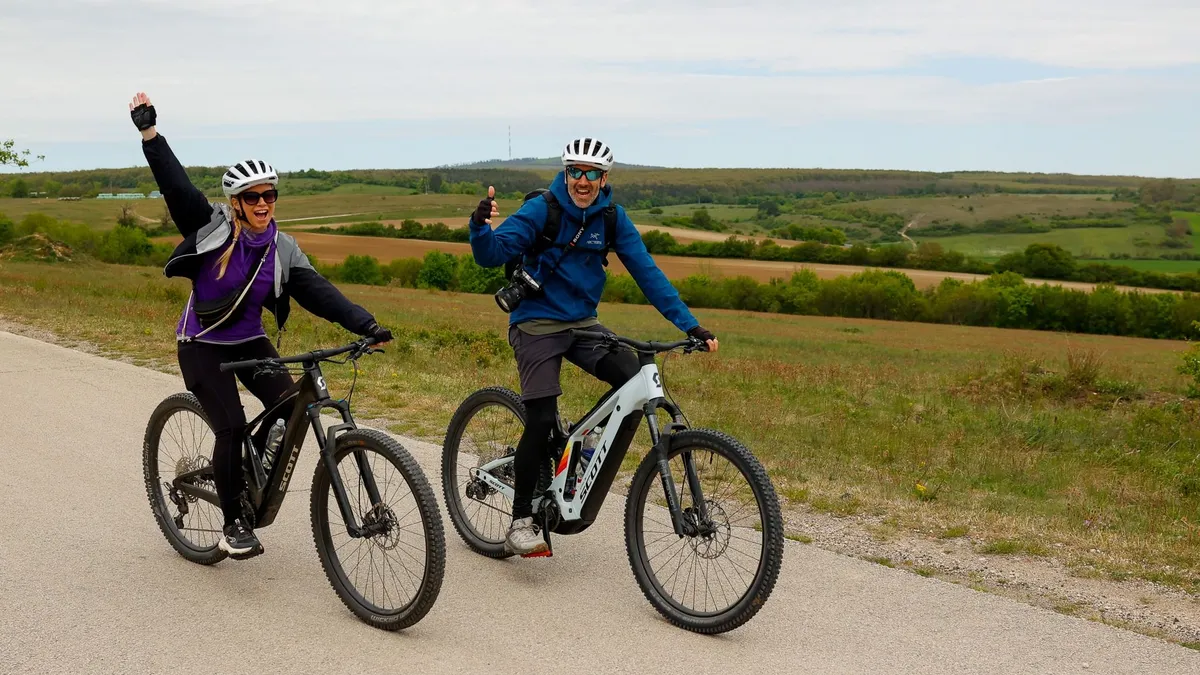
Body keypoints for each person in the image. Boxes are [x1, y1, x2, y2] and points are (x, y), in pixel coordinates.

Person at [129, 92, 393, 560]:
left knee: (292, 407)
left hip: (250, 342)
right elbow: (177, 187)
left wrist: (367, 325)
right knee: (229, 426)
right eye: (252, 197)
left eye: (269, 195)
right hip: (203, 346)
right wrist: (150, 133)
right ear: (236, 203)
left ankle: (251, 471)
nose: (262, 203)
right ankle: (233, 522)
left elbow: (319, 292)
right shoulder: (212, 228)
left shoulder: (283, 248)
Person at [468, 136, 719, 556]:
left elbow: (649, 275)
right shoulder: (541, 210)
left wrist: (692, 326)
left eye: (592, 174)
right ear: (566, 172)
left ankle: (577, 446)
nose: (582, 181)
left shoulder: (612, 219)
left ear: (605, 178)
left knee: (633, 377)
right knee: (541, 412)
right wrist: (479, 226)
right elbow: (491, 254)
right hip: (536, 323)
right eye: (575, 172)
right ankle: (520, 520)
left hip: (583, 324)